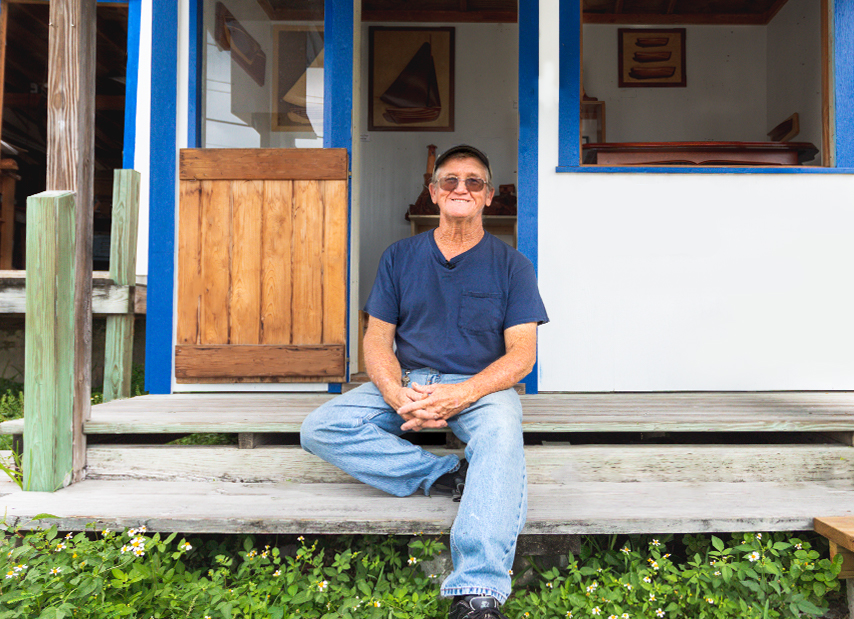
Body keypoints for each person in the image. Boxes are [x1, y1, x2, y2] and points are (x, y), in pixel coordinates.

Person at [300, 144, 548, 619]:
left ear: (488, 196)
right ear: (433, 193)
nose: (461, 188)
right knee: (320, 427)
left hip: (482, 387)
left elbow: (521, 356)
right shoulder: (399, 257)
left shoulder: (513, 265)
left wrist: (463, 393)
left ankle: (477, 591)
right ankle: (444, 474)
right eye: (450, 181)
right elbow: (377, 339)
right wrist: (395, 393)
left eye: (473, 181)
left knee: (500, 436)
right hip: (410, 381)